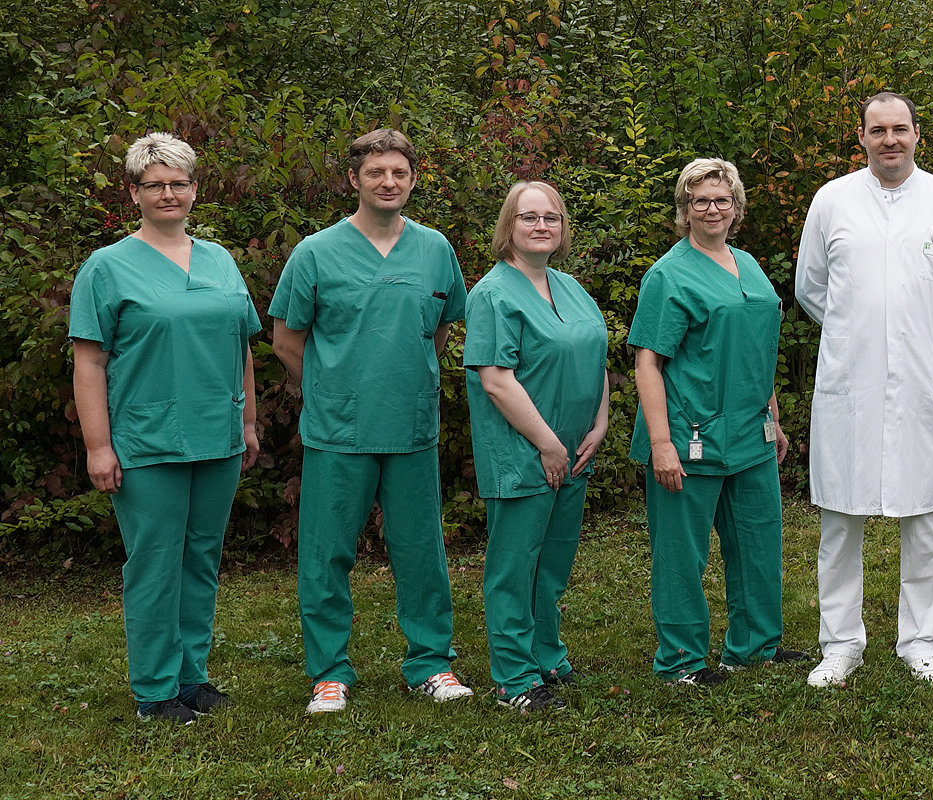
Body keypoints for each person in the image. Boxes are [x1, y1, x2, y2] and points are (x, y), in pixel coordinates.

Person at [272, 129, 471, 714]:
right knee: (327, 552)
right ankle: (329, 672)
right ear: (354, 179)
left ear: (413, 180)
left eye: (400, 173)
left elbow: (439, 329)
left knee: (420, 549)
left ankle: (431, 664)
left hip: (410, 424)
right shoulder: (316, 252)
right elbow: (286, 340)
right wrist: (333, 388)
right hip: (339, 429)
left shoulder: (435, 249)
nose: (389, 183)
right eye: (377, 172)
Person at [795, 92, 933, 687]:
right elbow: (811, 287)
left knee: (923, 516)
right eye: (877, 131)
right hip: (850, 380)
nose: (889, 140)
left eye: (899, 129)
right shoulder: (832, 201)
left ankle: (921, 642)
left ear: (917, 134)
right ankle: (840, 644)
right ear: (861, 138)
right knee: (839, 518)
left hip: (919, 384)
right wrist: (863, 333)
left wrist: (925, 341)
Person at [70, 132, 262, 724]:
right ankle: (155, 690)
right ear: (134, 193)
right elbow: (89, 361)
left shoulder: (220, 260)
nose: (168, 193)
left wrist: (249, 421)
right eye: (155, 184)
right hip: (145, 441)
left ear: (195, 190)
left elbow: (243, 346)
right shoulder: (106, 268)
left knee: (201, 558)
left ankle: (191, 677)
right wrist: (99, 446)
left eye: (179, 183)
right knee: (154, 563)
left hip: (218, 436)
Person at [629, 158, 797, 688]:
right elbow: (648, 363)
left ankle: (755, 646)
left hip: (750, 431)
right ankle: (681, 660)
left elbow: (755, 348)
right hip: (689, 433)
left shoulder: (747, 263)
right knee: (682, 553)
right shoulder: (669, 275)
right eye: (699, 200)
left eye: (722, 199)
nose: (712, 208)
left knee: (758, 541)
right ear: (684, 210)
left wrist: (773, 415)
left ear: (736, 206)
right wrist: (661, 443)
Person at [464, 181, 612, 711]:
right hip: (524, 451)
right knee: (514, 566)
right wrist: (549, 445)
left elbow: (595, 357)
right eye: (529, 217)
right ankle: (514, 677)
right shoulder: (492, 294)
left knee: (551, 563)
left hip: (574, 450)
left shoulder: (569, 286)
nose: (541, 226)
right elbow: (497, 379)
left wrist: (599, 420)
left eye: (552, 217)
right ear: (509, 226)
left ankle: (546, 652)